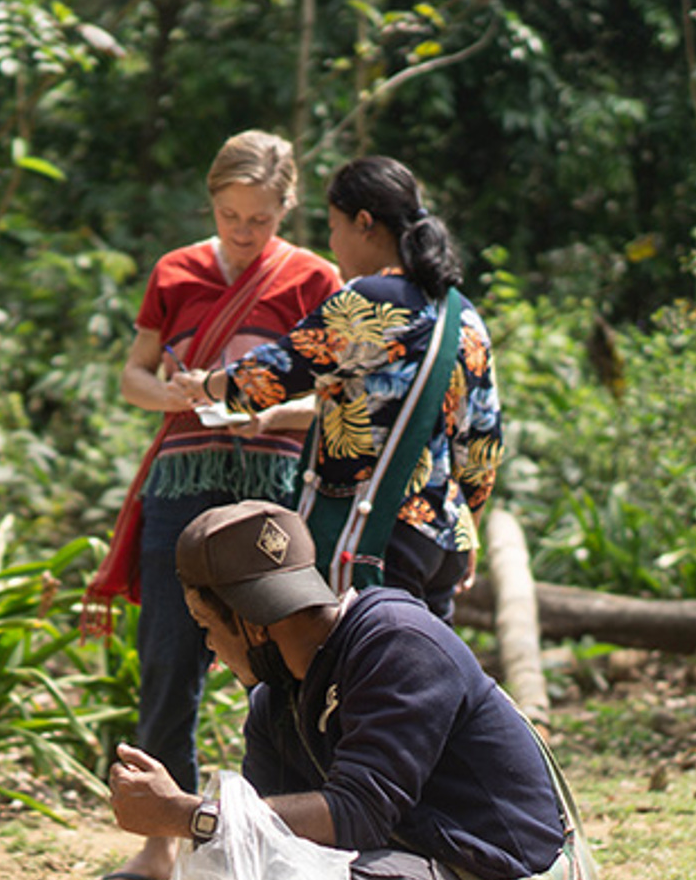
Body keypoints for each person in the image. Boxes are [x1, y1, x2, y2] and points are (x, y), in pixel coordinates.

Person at [107, 500, 568, 880]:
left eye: (206, 625)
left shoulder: (397, 643)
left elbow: (358, 813)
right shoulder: (277, 704)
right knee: (251, 859)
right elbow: (245, 858)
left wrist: (184, 814)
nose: (210, 648)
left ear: (251, 623)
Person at [82, 130, 342, 880]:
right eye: (230, 216)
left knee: (289, 649)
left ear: (286, 207)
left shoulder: (313, 278)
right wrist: (166, 394)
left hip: (272, 479)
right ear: (212, 204)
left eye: (260, 219)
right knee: (168, 651)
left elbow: (337, 397)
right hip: (182, 476)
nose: (243, 232)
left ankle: (297, 830)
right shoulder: (176, 271)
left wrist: (271, 413)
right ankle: (160, 845)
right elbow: (132, 375)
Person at [174, 155, 502, 621]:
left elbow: (274, 373)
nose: (332, 244)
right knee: (423, 663)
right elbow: (483, 442)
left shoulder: (371, 300)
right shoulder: (464, 315)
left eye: (333, 227)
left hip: (377, 536)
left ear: (364, 223)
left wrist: (206, 385)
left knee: (353, 662)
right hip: (441, 540)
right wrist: (469, 530)